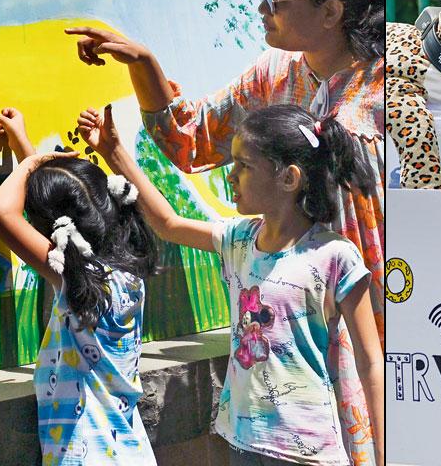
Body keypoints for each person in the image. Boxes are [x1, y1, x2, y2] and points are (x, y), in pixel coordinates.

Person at [64, 0, 384, 463]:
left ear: (330, 11)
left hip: (367, 316)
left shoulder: (385, 89)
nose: (263, 9)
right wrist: (144, 66)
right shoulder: (272, 75)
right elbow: (191, 141)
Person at [76, 102, 384, 466]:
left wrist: (383, 453)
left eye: (244, 166)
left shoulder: (335, 255)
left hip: (308, 450)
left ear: (289, 178)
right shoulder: (238, 239)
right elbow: (168, 224)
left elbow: (369, 361)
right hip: (240, 440)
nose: (231, 176)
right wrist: (113, 152)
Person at [0, 109, 160, 466]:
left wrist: (33, 162)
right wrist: (23, 146)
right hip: (131, 452)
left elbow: (0, 213)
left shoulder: (73, 278)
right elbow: (55, 220)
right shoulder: (127, 275)